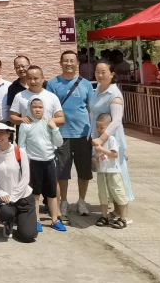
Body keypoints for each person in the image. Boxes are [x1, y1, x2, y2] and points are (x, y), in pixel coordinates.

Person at [46, 51, 94, 220]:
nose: (69, 64)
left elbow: (91, 109)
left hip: (83, 134)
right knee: (62, 171)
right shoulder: (53, 84)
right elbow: (49, 109)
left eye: (72, 61)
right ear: (60, 63)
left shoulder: (86, 84)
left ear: (77, 63)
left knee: (84, 170)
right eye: (65, 61)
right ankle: (64, 201)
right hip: (62, 134)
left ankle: (81, 201)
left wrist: (94, 132)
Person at [91, 61, 134, 225]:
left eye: (104, 72)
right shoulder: (97, 89)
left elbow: (116, 121)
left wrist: (102, 139)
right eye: (97, 71)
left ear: (112, 74)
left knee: (117, 175)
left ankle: (124, 214)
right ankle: (115, 210)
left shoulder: (114, 94)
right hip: (99, 140)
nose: (100, 75)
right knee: (106, 176)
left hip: (111, 141)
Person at [16, 98, 66, 232]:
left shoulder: (49, 122)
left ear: (44, 109)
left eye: (40, 107)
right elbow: (21, 146)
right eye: (34, 107)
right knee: (35, 193)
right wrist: (23, 165)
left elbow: (59, 143)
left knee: (52, 193)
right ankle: (36, 219)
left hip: (50, 161)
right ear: (29, 109)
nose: (37, 110)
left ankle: (54, 220)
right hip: (33, 163)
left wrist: (54, 128)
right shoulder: (25, 125)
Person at [0, 123, 36, 243]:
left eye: (2, 133)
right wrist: (1, 192)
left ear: (8, 134)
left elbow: (25, 178)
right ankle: (9, 220)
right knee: (4, 213)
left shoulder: (19, 151)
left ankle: (21, 221)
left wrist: (13, 197)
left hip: (23, 199)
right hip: (4, 200)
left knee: (28, 236)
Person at [92, 113, 129, 229]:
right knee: (103, 194)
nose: (99, 130)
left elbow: (114, 154)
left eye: (102, 127)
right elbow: (96, 155)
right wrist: (95, 159)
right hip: (102, 171)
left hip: (113, 171)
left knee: (118, 192)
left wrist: (101, 149)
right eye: (97, 127)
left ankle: (123, 218)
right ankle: (104, 216)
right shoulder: (97, 141)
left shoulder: (111, 139)